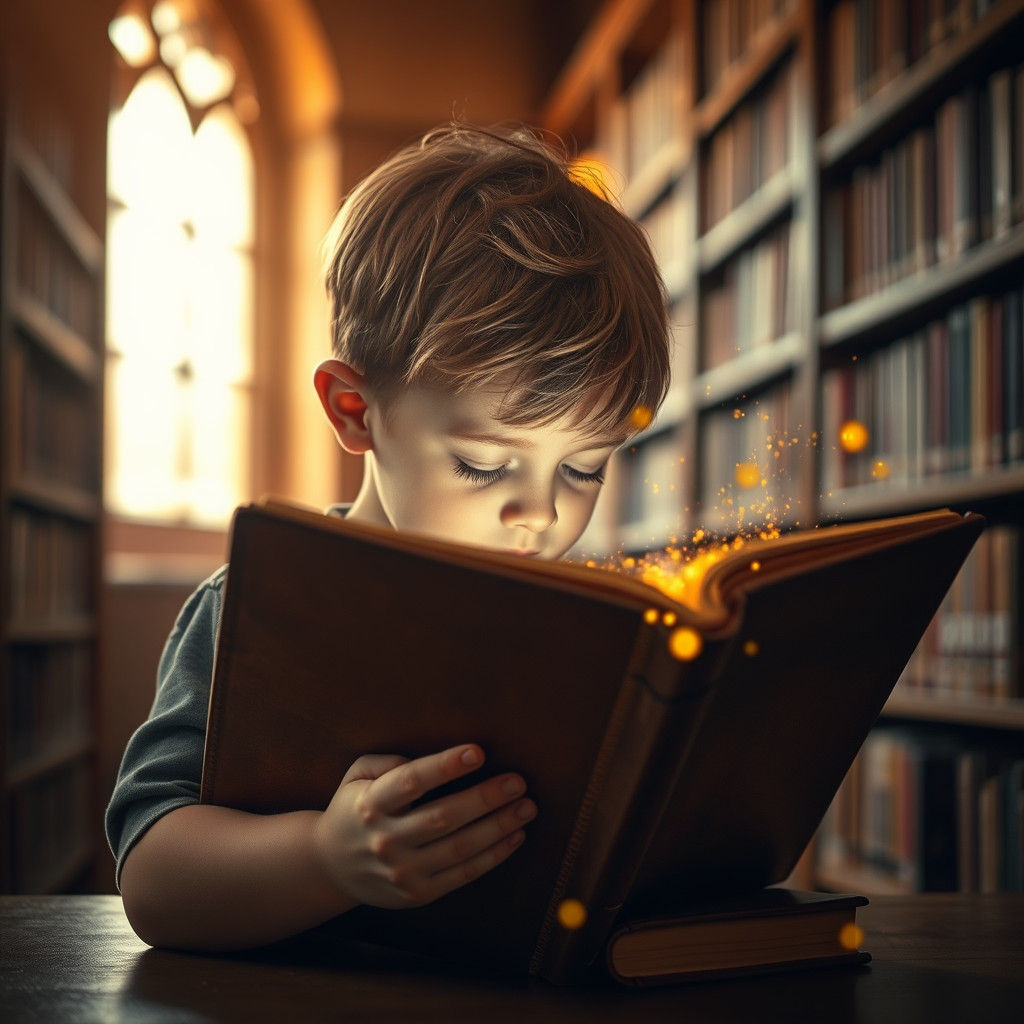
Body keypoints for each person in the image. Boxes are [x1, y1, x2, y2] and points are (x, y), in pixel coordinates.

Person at [106, 123, 671, 951]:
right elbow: (150, 881)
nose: (542, 515)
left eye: (584, 468)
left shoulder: (587, 625)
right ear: (355, 410)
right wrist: (324, 860)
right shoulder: (254, 608)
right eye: (483, 464)